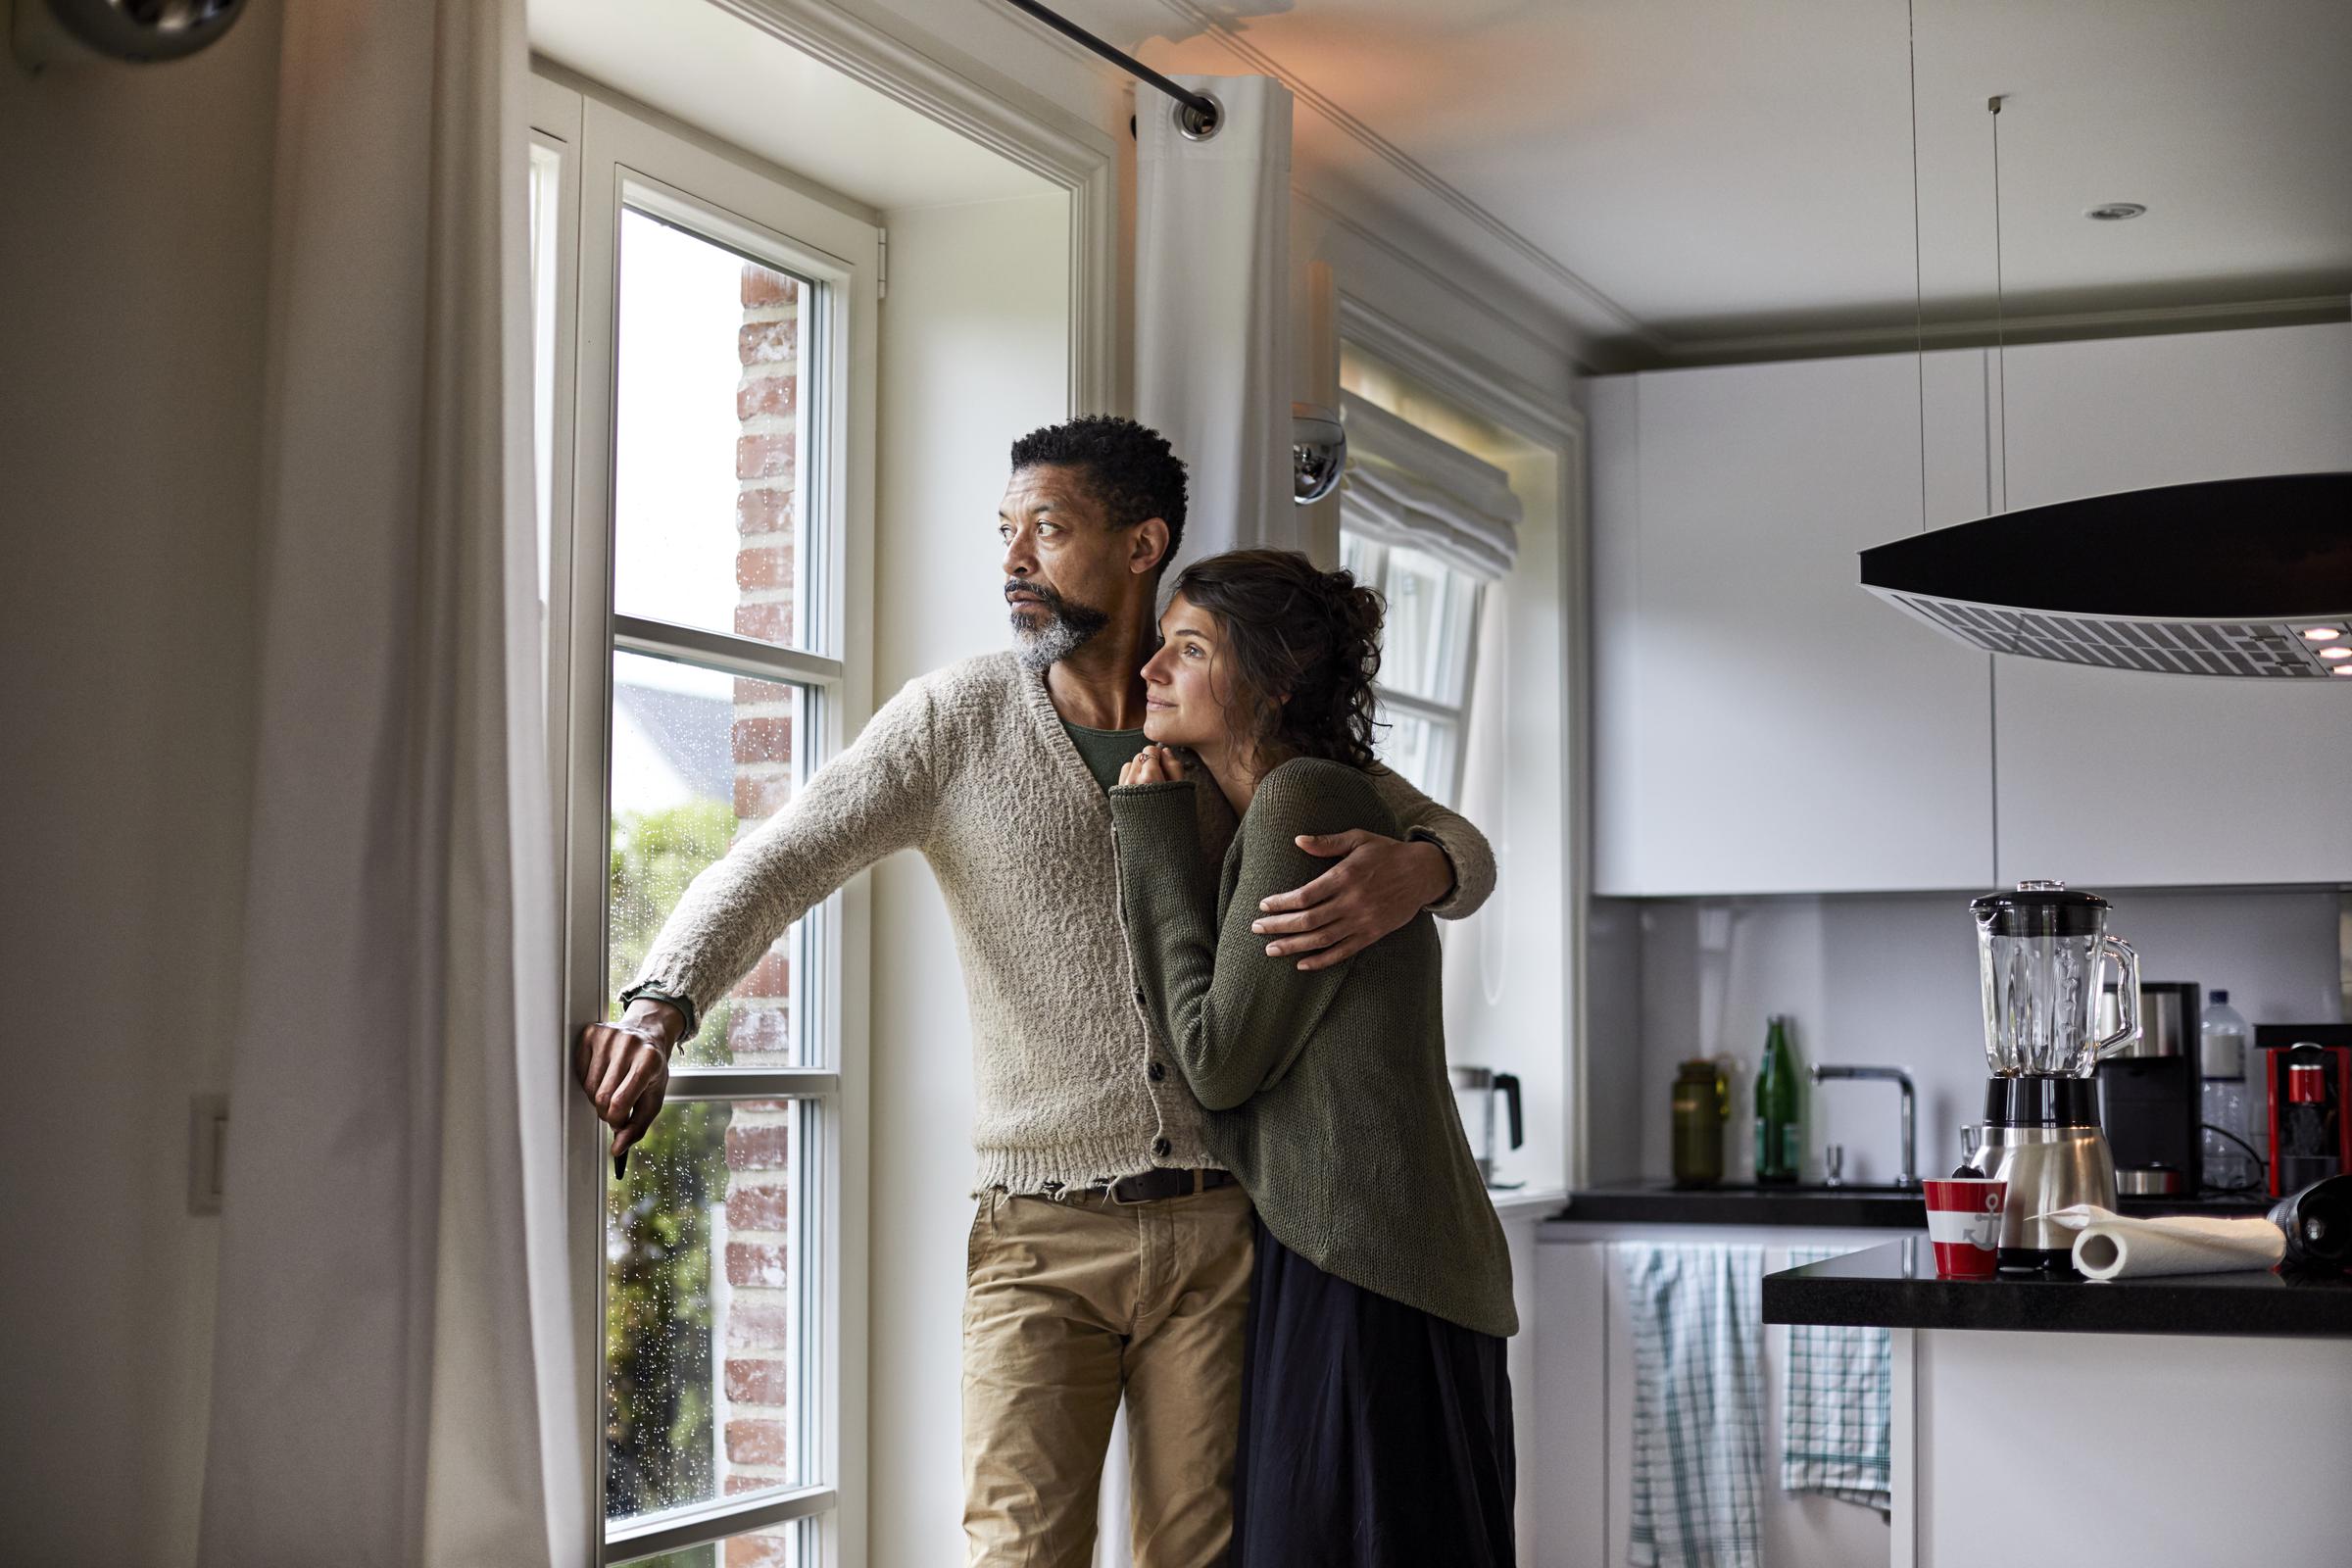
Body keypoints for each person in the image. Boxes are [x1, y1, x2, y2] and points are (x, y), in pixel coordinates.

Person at [570, 416, 1496, 1568]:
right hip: (1037, 1233)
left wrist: (1429, 867)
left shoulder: (1219, 711)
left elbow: (1445, 828)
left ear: (1142, 543)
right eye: (1005, 532)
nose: (1013, 560)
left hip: (1221, 1226)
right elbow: (778, 857)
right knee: (1020, 1552)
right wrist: (660, 1003)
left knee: (1192, 1558)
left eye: (1048, 530)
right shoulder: (955, 721)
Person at [1110, 548, 1519, 1568]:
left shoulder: (1300, 798)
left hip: (1363, 1264)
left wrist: (1153, 833)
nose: (1152, 669)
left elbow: (1214, 1061)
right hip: (1377, 1255)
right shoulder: (1315, 793)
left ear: (1273, 682)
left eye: (1189, 647)